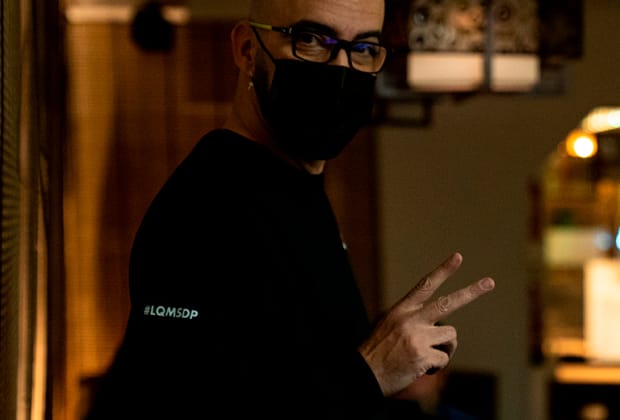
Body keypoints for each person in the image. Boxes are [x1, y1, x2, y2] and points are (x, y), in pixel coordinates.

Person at [83, 0, 495, 419]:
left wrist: (385, 359)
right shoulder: (205, 208)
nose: (342, 69)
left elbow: (288, 377)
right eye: (312, 40)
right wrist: (370, 371)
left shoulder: (297, 188)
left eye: (363, 49)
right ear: (247, 50)